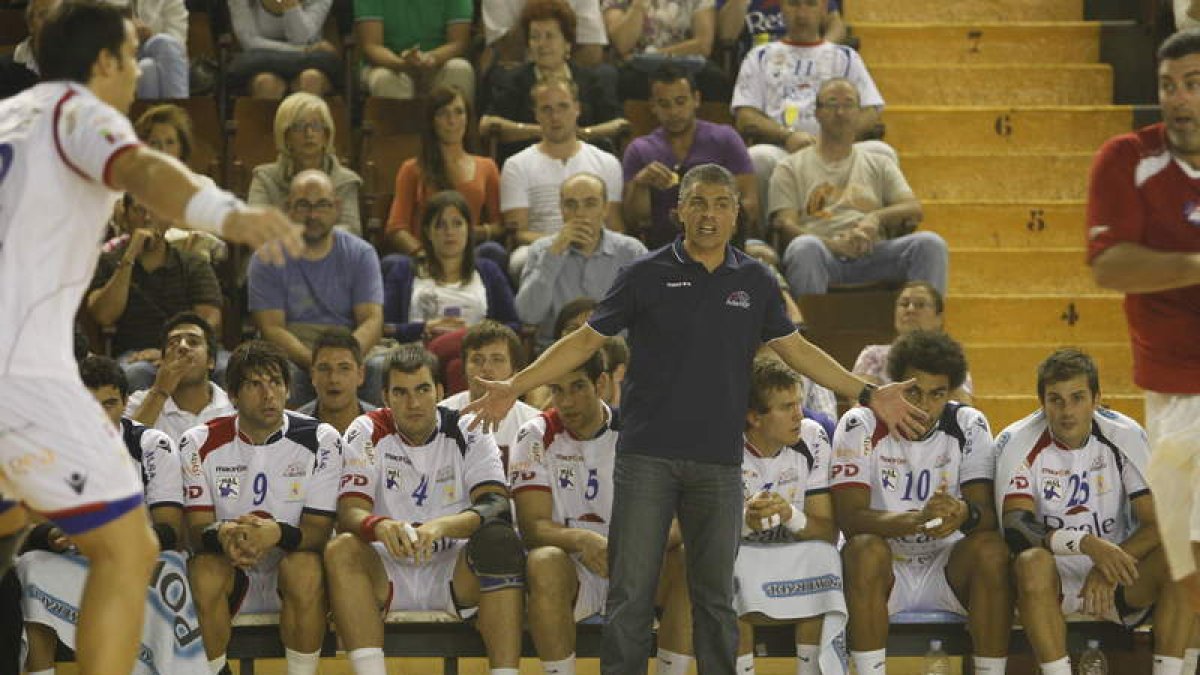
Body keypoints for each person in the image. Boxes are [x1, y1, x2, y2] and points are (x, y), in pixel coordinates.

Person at [466, 163, 923, 673]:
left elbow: (796, 349)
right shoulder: (644, 274)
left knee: (715, 600)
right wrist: (516, 385)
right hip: (646, 459)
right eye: (698, 203)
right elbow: (586, 340)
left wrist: (867, 391)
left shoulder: (754, 279)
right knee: (631, 594)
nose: (709, 214)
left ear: (736, 213)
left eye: (721, 204)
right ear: (679, 210)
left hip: (719, 463)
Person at [0, 4, 300, 673]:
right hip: (21, 372)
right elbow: (147, 172)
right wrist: (230, 213)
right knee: (129, 549)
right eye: (133, 58)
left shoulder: (9, 117)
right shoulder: (80, 111)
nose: (138, 74)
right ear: (103, 63)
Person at [325, 345, 525, 675]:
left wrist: (442, 527)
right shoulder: (365, 429)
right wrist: (379, 526)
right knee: (341, 548)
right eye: (400, 393)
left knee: (501, 541)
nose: (413, 403)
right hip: (385, 569)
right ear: (385, 397)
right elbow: (349, 512)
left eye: (422, 390)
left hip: (452, 569)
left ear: (440, 392)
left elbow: (496, 504)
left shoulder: (468, 428)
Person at [1087, 29, 1200, 611]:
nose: (1179, 99)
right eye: (1168, 87)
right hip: (1180, 391)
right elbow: (1110, 265)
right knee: (1190, 562)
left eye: (1193, 85)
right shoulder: (1128, 158)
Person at [995, 348, 1194, 675]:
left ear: (1097, 399)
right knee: (1030, 562)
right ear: (1042, 403)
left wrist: (1106, 565)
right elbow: (1017, 527)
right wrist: (1086, 543)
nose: (1066, 411)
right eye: (1055, 399)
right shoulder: (1021, 442)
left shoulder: (1121, 438)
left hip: (1115, 578)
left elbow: (1159, 523)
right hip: (1050, 580)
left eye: (1077, 397)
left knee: (1185, 557)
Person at [831, 331, 1011, 675]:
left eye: (937, 394)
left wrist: (964, 514)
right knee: (863, 549)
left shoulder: (969, 424)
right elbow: (850, 519)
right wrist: (917, 520)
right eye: (914, 391)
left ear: (951, 392)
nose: (924, 405)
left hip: (946, 564)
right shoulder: (859, 424)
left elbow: (987, 517)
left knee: (991, 550)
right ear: (894, 383)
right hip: (885, 566)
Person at [511, 351, 694, 674]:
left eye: (578, 387)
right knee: (542, 561)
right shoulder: (535, 435)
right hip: (575, 568)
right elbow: (532, 526)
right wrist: (582, 539)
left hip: (639, 564)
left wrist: (633, 549)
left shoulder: (642, 431)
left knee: (687, 558)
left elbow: (685, 518)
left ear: (602, 383)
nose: (567, 402)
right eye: (557, 390)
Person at [181, 340, 342, 675]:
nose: (268, 395)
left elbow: (319, 532)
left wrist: (276, 533)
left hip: (293, 574)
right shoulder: (198, 442)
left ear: (288, 389)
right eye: (255, 384)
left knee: (305, 567)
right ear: (233, 395)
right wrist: (223, 534)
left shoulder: (321, 439)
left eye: (276, 383)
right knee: (202, 569)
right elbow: (196, 530)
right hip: (231, 571)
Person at [21, 354, 187, 675]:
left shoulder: (152, 445)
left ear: (126, 402)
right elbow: (27, 528)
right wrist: (51, 535)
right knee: (28, 566)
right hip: (72, 558)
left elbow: (170, 529)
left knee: (172, 567)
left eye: (109, 404)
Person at [708, 356, 844, 675]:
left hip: (792, 551)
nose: (800, 414)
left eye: (798, 403)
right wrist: (745, 522)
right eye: (786, 407)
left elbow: (827, 532)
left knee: (825, 557)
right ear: (754, 417)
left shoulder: (812, 436)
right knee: (721, 562)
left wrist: (790, 514)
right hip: (740, 553)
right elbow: (703, 532)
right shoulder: (721, 444)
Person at [770, 78, 944, 297]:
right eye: (832, 104)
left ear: (859, 113)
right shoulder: (790, 166)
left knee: (930, 244)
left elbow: (913, 208)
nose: (841, 112)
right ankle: (805, 331)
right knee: (803, 248)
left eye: (849, 104)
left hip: (873, 253)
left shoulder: (879, 162)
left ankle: (925, 329)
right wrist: (834, 245)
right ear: (817, 113)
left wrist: (875, 219)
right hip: (823, 254)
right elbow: (786, 226)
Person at [731, 0, 886, 228]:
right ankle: (765, 243)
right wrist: (787, 136)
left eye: (810, 4)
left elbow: (871, 112)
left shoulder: (846, 57)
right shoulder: (759, 56)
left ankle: (870, 233)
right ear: (782, 9)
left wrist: (835, 139)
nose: (802, 13)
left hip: (840, 150)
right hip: (783, 149)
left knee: (881, 152)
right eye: (794, 4)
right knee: (758, 158)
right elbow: (745, 115)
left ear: (824, 10)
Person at [249, 169, 385, 407]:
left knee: (376, 369)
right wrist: (317, 364)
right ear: (288, 207)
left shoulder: (361, 254)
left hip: (349, 342)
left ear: (337, 206)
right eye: (303, 205)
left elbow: (372, 320)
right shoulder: (267, 257)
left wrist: (343, 361)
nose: (312, 215)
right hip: (294, 346)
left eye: (322, 205)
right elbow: (271, 328)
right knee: (283, 374)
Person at [87, 191, 224, 392]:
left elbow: (210, 318)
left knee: (228, 368)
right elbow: (105, 316)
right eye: (139, 210)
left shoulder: (193, 263)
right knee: (134, 374)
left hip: (191, 349)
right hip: (136, 354)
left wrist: (170, 352)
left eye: (156, 211)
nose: (148, 218)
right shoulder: (108, 263)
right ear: (125, 217)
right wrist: (129, 257)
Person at [500, 78, 625, 278]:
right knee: (520, 259)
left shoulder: (607, 162)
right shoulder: (516, 165)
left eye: (563, 107)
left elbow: (615, 226)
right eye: (546, 109)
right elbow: (519, 233)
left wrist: (589, 243)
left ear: (577, 109)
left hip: (597, 246)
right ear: (536, 115)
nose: (555, 116)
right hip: (543, 246)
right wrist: (562, 240)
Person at [622, 65, 757, 248]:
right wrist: (640, 185)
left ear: (696, 99)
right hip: (664, 248)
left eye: (680, 101)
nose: (674, 112)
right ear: (653, 106)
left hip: (723, 243)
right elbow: (633, 221)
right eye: (664, 104)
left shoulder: (725, 139)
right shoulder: (640, 150)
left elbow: (751, 204)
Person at [479, 0, 625, 166]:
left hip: (584, 165)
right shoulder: (513, 80)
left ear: (567, 43)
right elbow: (487, 124)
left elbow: (619, 124)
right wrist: (537, 131)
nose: (542, 44)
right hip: (528, 165)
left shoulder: (591, 80)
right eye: (535, 37)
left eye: (550, 36)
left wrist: (583, 133)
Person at [515, 173, 647, 350]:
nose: (580, 214)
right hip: (556, 355)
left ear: (605, 209)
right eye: (570, 205)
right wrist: (553, 255)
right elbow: (528, 315)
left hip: (617, 355)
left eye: (590, 204)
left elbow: (653, 310)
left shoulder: (631, 251)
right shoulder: (541, 250)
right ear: (561, 210)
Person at [383, 190, 519, 343]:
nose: (449, 232)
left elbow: (512, 326)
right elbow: (386, 328)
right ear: (428, 232)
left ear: (469, 229)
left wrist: (475, 333)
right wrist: (423, 328)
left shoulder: (489, 271)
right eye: (440, 225)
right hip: (418, 358)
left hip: (475, 356)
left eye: (457, 224)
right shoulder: (403, 271)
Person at [386, 86, 505, 260]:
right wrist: (422, 254)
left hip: (469, 254)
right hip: (425, 254)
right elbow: (396, 228)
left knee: (492, 251)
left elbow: (500, 224)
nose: (452, 121)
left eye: (459, 112)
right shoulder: (411, 169)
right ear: (432, 121)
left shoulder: (487, 167)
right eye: (443, 113)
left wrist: (476, 232)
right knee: (394, 263)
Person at [248, 92, 364, 236]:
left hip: (332, 256)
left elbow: (351, 231)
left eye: (316, 126)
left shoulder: (345, 180)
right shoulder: (265, 178)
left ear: (326, 135)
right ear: (286, 136)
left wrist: (312, 240)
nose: (309, 133)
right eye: (298, 127)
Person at [853, 281, 974, 403]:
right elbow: (861, 405)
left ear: (939, 318)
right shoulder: (873, 355)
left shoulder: (950, 357)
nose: (910, 309)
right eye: (904, 304)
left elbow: (961, 407)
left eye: (920, 305)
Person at [126, 312, 236, 442]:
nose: (182, 346)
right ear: (162, 361)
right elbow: (123, 454)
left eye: (193, 342)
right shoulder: (137, 403)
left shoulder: (234, 408)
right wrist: (159, 392)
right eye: (173, 343)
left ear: (210, 361)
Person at [439, 320, 541, 460]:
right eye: (477, 360)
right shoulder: (439, 418)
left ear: (515, 371)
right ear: (463, 369)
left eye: (497, 359)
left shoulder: (534, 423)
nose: (486, 367)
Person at [601, 0, 728, 101]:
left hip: (683, 62)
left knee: (714, 78)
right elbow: (622, 44)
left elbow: (703, 44)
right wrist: (638, 5)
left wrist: (653, 55)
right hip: (636, 69)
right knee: (622, 79)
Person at [355, 0, 475, 103]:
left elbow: (458, 42)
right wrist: (401, 64)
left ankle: (453, 128)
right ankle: (399, 130)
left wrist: (429, 58)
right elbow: (372, 45)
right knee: (384, 79)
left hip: (439, 62)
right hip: (387, 64)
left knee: (460, 69)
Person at [227, 0, 341, 99]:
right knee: (266, 83)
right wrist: (305, 50)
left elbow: (301, 38)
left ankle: (307, 123)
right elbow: (249, 42)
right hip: (261, 65)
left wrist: (290, 5)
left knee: (311, 79)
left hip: (308, 64)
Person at [295, 327, 377, 434]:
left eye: (344, 368)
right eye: (324, 368)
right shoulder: (294, 429)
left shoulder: (382, 427)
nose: (333, 379)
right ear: (313, 375)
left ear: (360, 375)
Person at [482, 0, 607, 68]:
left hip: (569, 72)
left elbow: (593, 51)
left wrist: (560, 76)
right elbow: (506, 55)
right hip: (519, 72)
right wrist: (535, 7)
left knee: (605, 75)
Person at [120, 0, 189, 99]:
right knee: (148, 66)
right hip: (119, 57)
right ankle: (179, 111)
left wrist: (149, 35)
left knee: (147, 67)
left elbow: (177, 44)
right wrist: (130, 33)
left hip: (162, 58)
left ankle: (172, 110)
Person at [0, 0, 59, 98]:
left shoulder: (81, 67)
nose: (52, 22)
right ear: (30, 23)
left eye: (59, 15)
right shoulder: (3, 69)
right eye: (44, 14)